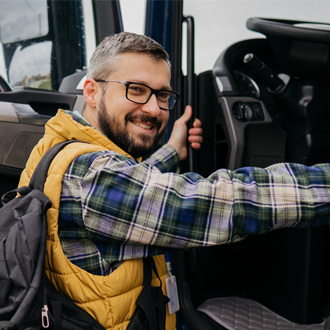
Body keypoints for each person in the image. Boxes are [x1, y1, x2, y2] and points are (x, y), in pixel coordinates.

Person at [19, 32, 330, 329]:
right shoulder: (93, 179)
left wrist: (172, 149)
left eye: (163, 94)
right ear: (92, 91)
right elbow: (218, 203)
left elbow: (131, 191)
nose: (154, 108)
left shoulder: (63, 148)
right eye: (136, 89)